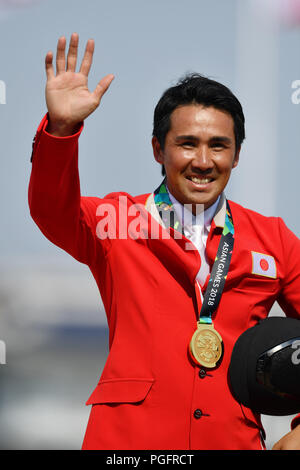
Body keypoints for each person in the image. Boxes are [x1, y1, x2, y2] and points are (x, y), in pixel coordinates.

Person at [28, 32, 300, 450]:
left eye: (219, 146)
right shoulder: (116, 222)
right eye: (187, 144)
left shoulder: (274, 238)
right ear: (159, 149)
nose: (203, 162)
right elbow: (52, 212)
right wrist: (62, 129)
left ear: (237, 155)